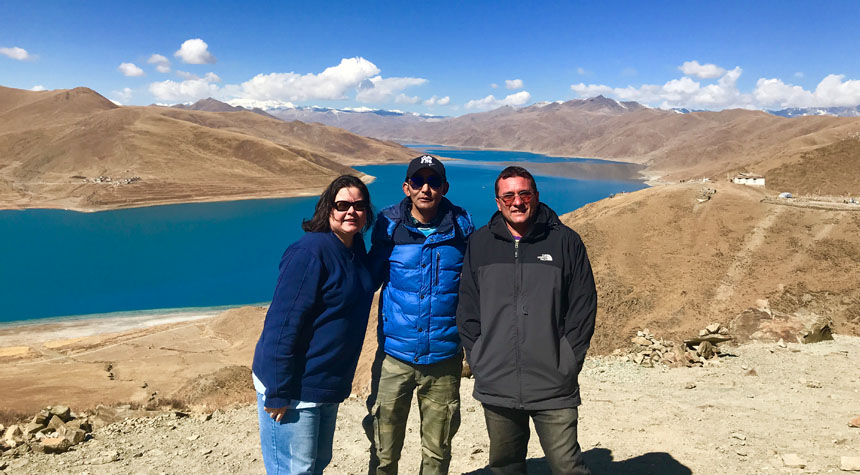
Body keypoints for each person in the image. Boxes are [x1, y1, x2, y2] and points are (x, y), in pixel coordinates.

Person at [456, 166, 597, 475]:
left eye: (524, 194)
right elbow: (467, 307)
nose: (516, 202)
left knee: (567, 466)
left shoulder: (565, 242)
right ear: (497, 201)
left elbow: (583, 307)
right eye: (508, 195)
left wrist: (567, 361)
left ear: (536, 197)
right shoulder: (480, 244)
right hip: (496, 380)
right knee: (506, 466)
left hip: (553, 382)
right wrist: (479, 357)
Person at [252, 174, 376, 475]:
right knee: (295, 470)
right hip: (295, 388)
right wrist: (279, 391)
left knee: (315, 466)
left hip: (326, 385)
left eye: (359, 206)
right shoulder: (310, 252)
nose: (351, 212)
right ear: (327, 209)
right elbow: (283, 325)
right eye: (342, 204)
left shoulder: (353, 250)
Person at [366, 155, 474, 475]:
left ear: (444, 188)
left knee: (437, 451)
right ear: (407, 187)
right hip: (395, 359)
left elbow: (479, 287)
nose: (425, 188)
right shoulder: (389, 229)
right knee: (384, 450)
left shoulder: (462, 231)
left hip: (443, 359)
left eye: (434, 182)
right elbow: (366, 280)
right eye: (418, 181)